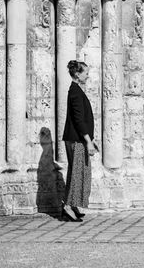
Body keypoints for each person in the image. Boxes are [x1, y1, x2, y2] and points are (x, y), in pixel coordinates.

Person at [62, 60, 98, 222]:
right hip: (76, 140)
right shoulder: (75, 92)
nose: (88, 76)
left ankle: (73, 204)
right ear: (77, 74)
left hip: (78, 140)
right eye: (85, 73)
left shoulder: (76, 90)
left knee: (79, 172)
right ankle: (67, 206)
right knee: (76, 173)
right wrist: (88, 141)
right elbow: (78, 120)